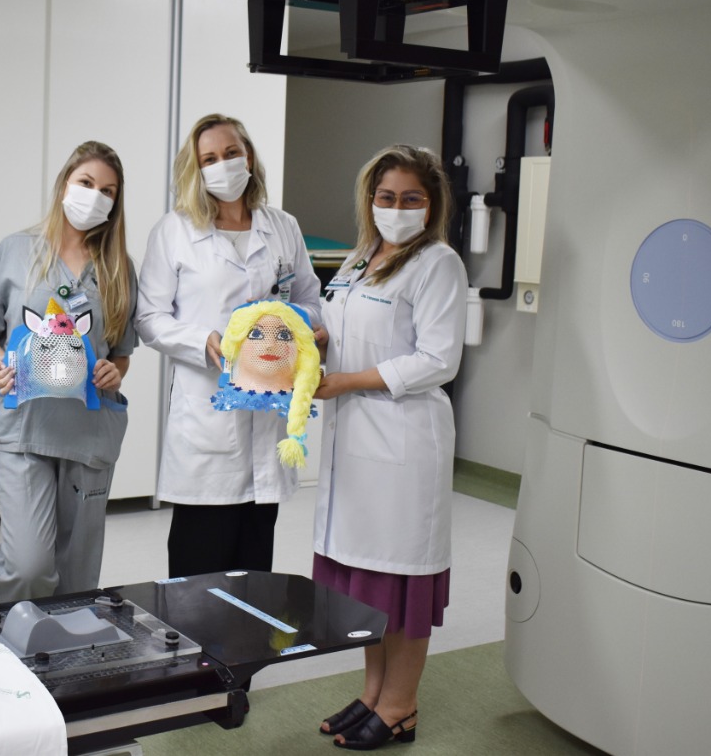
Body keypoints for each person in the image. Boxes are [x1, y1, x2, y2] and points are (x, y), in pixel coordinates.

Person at [312, 144, 468, 750]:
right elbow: (343, 328)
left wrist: (346, 380)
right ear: (369, 200)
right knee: (365, 584)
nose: (395, 208)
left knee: (401, 584)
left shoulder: (438, 264)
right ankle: (373, 693)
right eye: (385, 197)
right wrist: (304, 336)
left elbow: (438, 358)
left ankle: (401, 705)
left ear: (430, 206)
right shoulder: (359, 258)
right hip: (354, 441)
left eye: (410, 199)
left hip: (404, 442)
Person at [135, 113, 323, 578]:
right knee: (197, 578)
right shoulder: (175, 231)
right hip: (207, 423)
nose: (223, 166)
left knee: (255, 574)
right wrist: (205, 341)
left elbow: (309, 299)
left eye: (231, 153)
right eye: (209, 159)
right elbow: (149, 317)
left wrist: (298, 329)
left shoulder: (283, 227)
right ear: (195, 171)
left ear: (249, 156)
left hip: (268, 409)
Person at [0, 141, 138, 603]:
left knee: (78, 576)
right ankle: (17, 639)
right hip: (24, 426)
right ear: (65, 184)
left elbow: (120, 352)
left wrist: (114, 372)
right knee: (29, 566)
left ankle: (63, 663)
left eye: (108, 191)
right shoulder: (16, 252)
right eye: (86, 183)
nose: (95, 197)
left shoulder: (118, 268)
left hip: (89, 430)